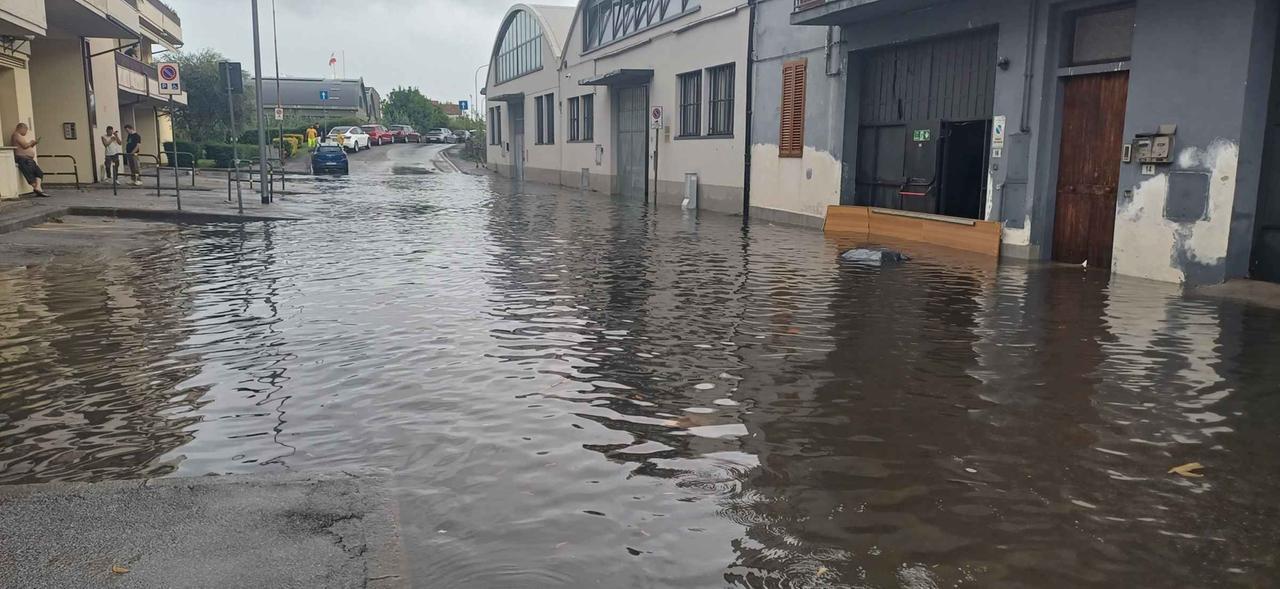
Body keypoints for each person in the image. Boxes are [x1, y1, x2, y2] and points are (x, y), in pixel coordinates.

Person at [10, 123, 48, 197]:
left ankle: (38, 188)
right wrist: (31, 142)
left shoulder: (20, 136)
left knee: (39, 173)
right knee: (29, 174)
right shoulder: (16, 135)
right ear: (21, 128)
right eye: (26, 130)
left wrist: (34, 143)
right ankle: (37, 189)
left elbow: (27, 146)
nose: (26, 132)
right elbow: (25, 146)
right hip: (23, 158)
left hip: (28, 159)